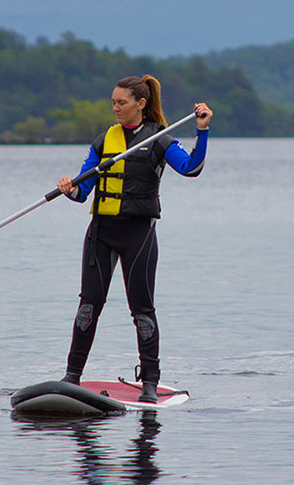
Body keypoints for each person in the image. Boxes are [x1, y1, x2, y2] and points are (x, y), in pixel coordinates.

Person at [56, 74, 212, 403]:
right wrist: (69, 188)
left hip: (138, 235)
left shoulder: (160, 140)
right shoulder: (103, 141)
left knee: (142, 311)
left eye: (122, 102)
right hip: (101, 233)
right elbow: (82, 192)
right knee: (88, 306)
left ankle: (150, 382)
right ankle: (71, 376)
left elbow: (191, 168)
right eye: (113, 102)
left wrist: (202, 130)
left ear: (140, 104)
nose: (115, 108)